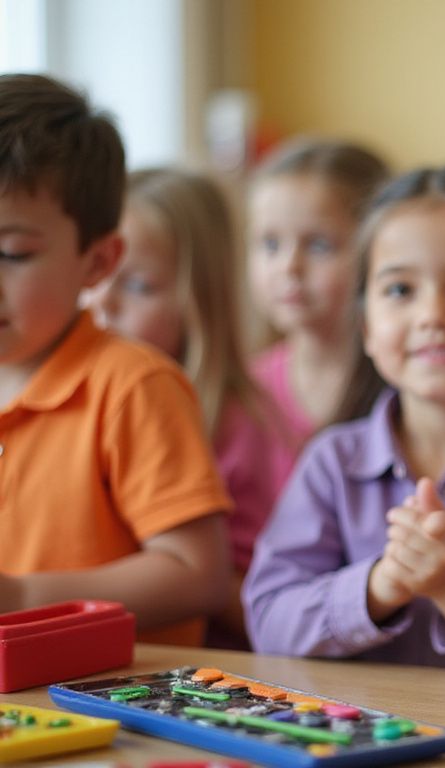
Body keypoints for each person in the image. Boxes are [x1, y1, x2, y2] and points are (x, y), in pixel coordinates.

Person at [243, 166, 445, 671]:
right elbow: (268, 620)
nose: (432, 315)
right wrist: (379, 586)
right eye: (399, 291)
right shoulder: (333, 462)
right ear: (366, 327)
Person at [0, 74, 230, 643]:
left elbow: (197, 574)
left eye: (13, 253)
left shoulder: (133, 385)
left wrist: (25, 600)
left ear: (99, 262)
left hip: (119, 691)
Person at [88, 168, 290, 649]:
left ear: (200, 299)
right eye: (94, 274)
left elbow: (263, 600)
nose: (102, 302)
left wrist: (176, 566)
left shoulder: (243, 425)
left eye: (139, 286)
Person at [246, 138, 390, 451]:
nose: (289, 267)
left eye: (318, 245)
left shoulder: (399, 382)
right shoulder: (247, 391)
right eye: (271, 244)